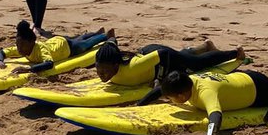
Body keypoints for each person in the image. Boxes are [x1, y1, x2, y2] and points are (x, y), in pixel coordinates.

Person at [93, 37, 245, 89]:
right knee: (183, 56)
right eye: (99, 72)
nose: (101, 76)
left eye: (104, 72)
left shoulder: (133, 68)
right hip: (151, 57)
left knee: (194, 64)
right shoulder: (108, 65)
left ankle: (235, 53)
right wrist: (111, 39)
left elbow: (164, 54)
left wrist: (159, 79)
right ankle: (205, 46)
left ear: (115, 66)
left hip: (159, 57)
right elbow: (111, 44)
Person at [0, 19, 110, 74]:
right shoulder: (21, 49)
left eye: (22, 45)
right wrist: (0, 61)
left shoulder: (40, 49)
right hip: (55, 41)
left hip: (66, 48)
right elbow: (2, 52)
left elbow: (49, 64)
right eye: (18, 44)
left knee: (85, 45)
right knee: (79, 39)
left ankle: (104, 36)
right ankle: (96, 32)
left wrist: (29, 69)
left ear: (31, 42)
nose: (19, 48)